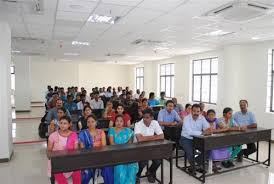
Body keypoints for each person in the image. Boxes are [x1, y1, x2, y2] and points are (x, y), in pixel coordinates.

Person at [79, 115, 114, 184]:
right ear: (86, 123)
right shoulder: (83, 133)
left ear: (96, 122)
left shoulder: (101, 132)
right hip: (87, 158)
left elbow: (104, 147)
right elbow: (82, 149)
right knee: (86, 175)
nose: (90, 124)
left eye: (92, 121)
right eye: (88, 122)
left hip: (100, 157)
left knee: (108, 169)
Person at [47, 116, 81, 184]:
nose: (62, 125)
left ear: (69, 124)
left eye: (65, 123)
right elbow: (49, 151)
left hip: (70, 159)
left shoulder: (73, 135)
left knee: (77, 171)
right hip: (57, 160)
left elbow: (76, 150)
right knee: (58, 172)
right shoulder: (53, 135)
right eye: (61, 123)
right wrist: (55, 156)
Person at [180, 104, 212, 172]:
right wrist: (202, 133)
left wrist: (207, 130)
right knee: (192, 153)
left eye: (198, 111)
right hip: (186, 139)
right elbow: (189, 132)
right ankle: (193, 166)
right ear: (191, 111)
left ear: (200, 112)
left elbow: (208, 128)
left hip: (198, 139)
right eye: (194, 111)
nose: (196, 113)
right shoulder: (186, 118)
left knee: (207, 149)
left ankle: (198, 164)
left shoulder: (202, 118)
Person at [135, 109, 164, 183]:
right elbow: (140, 140)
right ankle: (137, 175)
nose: (145, 119)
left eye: (147, 117)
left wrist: (146, 138)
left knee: (158, 161)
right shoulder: (138, 124)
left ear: (152, 118)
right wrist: (154, 137)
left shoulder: (155, 123)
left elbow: (162, 136)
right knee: (143, 161)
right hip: (139, 147)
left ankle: (150, 172)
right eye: (144, 117)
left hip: (151, 147)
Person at [108, 115, 138, 184]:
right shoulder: (112, 130)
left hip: (127, 153)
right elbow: (112, 144)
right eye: (117, 121)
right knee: (120, 166)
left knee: (132, 164)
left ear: (123, 122)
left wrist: (123, 149)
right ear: (115, 122)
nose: (119, 123)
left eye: (121, 121)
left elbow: (129, 144)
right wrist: (122, 147)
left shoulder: (128, 131)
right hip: (116, 153)